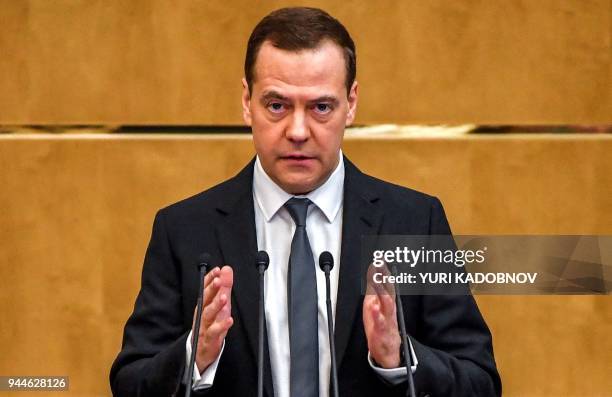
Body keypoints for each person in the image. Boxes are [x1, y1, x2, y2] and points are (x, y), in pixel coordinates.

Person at [110, 7, 501, 397]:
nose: (298, 131)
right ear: (248, 102)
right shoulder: (184, 229)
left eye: (321, 107)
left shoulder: (413, 222)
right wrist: (193, 357)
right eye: (277, 105)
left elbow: (480, 381)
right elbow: (130, 381)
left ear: (351, 103)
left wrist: (400, 357)